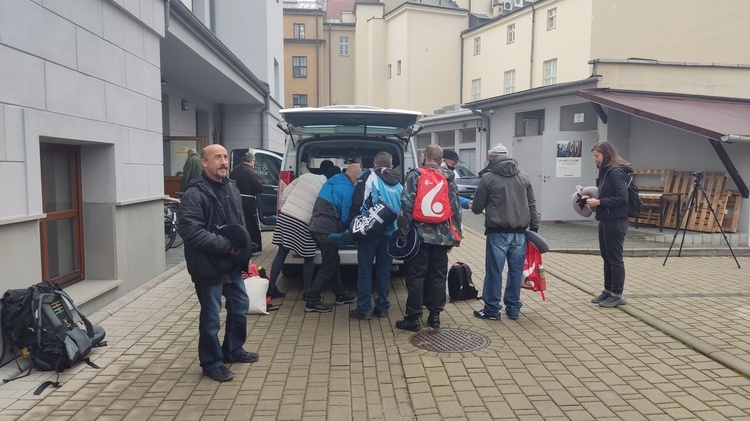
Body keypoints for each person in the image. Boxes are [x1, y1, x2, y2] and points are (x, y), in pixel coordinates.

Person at [178, 144, 259, 382]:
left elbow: (239, 222)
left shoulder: (231, 186)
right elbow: (191, 232)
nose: (223, 161)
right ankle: (212, 362)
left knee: (240, 306)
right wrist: (228, 246)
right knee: (212, 316)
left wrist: (243, 249)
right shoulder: (195, 193)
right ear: (204, 163)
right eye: (217, 157)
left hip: (232, 263)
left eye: (225, 157)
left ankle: (233, 350)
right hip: (207, 265)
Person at [395, 145, 462, 331]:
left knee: (416, 276)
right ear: (441, 159)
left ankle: (413, 317)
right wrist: (454, 237)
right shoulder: (449, 177)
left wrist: (403, 233)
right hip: (442, 237)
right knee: (438, 275)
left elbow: (406, 206)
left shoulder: (415, 175)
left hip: (419, 236)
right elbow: (456, 209)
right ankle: (434, 316)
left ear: (424, 157)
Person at [470, 143, 539, 321]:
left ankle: (492, 309)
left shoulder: (488, 178)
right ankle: (513, 308)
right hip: (520, 233)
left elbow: (477, 208)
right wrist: (534, 228)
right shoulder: (524, 177)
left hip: (497, 232)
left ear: (491, 158)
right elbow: (532, 204)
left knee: (494, 271)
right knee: (516, 271)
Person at [348, 152, 403, 320]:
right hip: (390, 233)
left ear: (374, 163)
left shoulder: (367, 177)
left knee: (365, 271)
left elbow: (357, 201)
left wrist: (352, 224)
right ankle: (382, 308)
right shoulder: (398, 183)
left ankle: (363, 309)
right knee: (384, 272)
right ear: (391, 165)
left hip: (370, 232)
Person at [305, 164, 362, 313]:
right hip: (327, 231)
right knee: (328, 266)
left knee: (333, 261)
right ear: (356, 177)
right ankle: (312, 300)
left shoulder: (330, 182)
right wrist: (352, 231)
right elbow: (346, 215)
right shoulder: (349, 188)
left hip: (315, 227)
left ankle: (340, 295)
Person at [266, 169, 330, 301]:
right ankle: (307, 292)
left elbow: (285, 192)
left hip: (286, 215)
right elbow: (321, 207)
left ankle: (271, 288)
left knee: (282, 252)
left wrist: (288, 206)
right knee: (308, 257)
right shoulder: (326, 185)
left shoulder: (305, 176)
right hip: (304, 221)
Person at [584, 140, 632, 308]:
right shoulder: (605, 172)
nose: (594, 159)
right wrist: (590, 199)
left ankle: (618, 294)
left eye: (596, 156)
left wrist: (600, 202)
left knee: (615, 257)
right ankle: (608, 290)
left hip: (616, 220)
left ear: (606, 154)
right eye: (593, 157)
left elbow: (622, 198)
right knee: (606, 256)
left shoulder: (615, 173)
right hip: (605, 219)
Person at [229, 152, 264, 252]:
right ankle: (252, 246)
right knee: (251, 224)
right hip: (248, 202)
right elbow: (259, 187)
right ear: (252, 161)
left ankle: (241, 245)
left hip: (235, 200)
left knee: (240, 223)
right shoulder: (250, 171)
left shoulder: (235, 170)